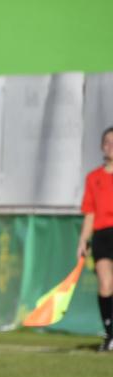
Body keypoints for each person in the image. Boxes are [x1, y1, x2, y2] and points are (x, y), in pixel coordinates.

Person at [79, 126, 113, 351]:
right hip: (102, 235)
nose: (111, 146)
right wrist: (84, 240)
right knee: (105, 283)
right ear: (102, 146)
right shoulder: (94, 178)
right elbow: (89, 212)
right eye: (107, 142)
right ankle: (110, 335)